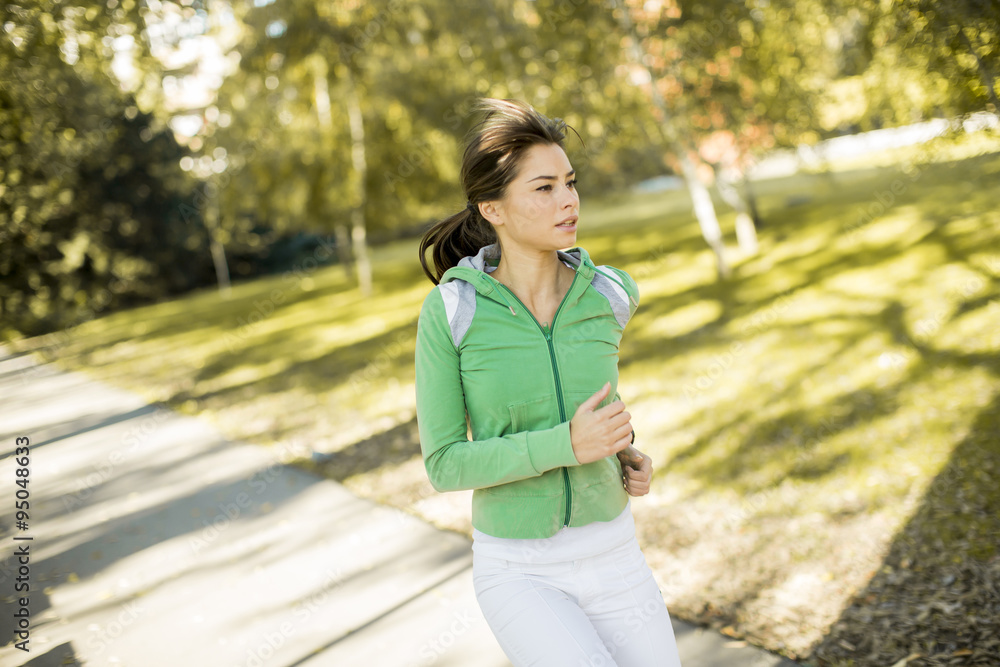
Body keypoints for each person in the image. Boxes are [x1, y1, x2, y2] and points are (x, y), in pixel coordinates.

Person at [414, 98, 682, 667]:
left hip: (616, 554)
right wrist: (567, 445)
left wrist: (623, 451)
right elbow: (444, 463)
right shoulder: (454, 311)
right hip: (521, 571)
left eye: (570, 182)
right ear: (493, 207)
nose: (569, 200)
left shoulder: (609, 295)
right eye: (544, 188)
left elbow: (584, 401)